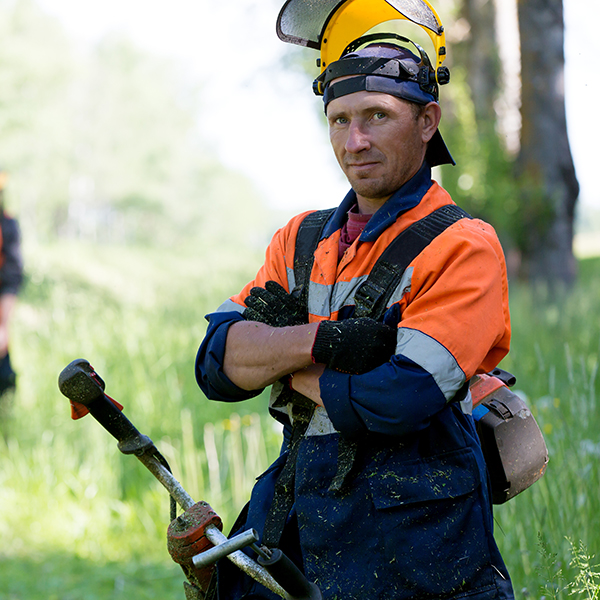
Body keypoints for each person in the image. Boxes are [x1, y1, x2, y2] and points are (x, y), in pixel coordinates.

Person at [196, 38, 515, 600]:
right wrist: (326, 340)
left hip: (419, 544)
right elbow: (216, 364)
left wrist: (278, 359)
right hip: (297, 521)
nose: (355, 140)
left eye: (377, 116)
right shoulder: (300, 239)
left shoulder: (464, 246)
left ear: (426, 121)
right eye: (339, 119)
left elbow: (398, 398)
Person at [0, 167, 24, 430]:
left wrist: (3, 327)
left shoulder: (8, 226)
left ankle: (6, 429)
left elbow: (12, 277)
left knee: (4, 377)